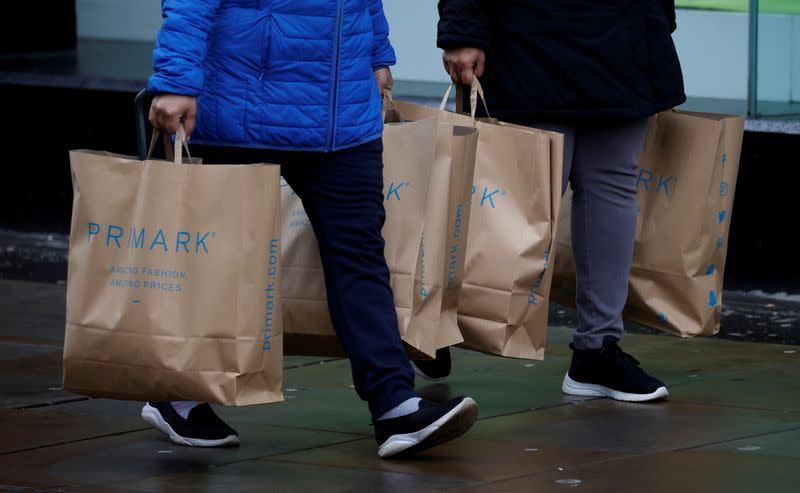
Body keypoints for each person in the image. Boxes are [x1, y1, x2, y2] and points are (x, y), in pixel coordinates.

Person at [140, 0, 478, 459]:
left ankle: (394, 403)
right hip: (244, 105)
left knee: (359, 256)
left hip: (343, 114)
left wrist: (378, 55)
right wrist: (177, 80)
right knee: (218, 261)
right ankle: (179, 394)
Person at [421, 0, 685, 402]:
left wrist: (656, 23)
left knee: (610, 190)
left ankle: (598, 350)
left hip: (623, 38)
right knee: (514, 202)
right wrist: (462, 32)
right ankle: (428, 323)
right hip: (533, 38)